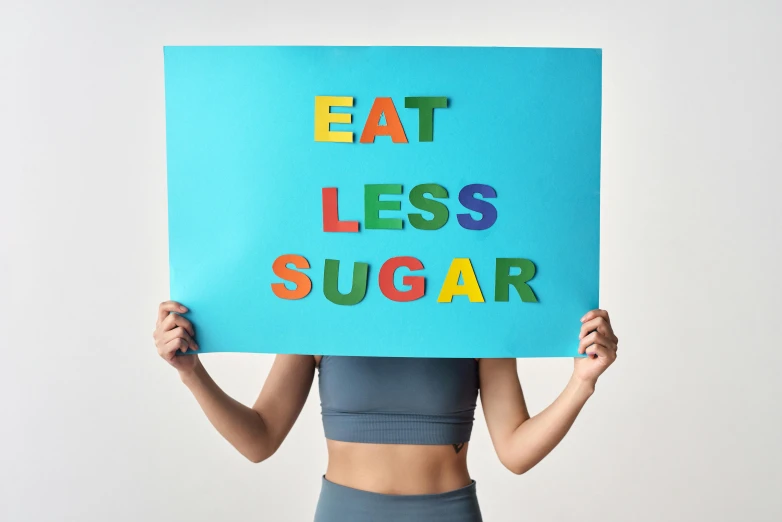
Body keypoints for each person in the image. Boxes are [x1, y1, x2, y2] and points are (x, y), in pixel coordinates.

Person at [153, 300, 619, 521]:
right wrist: (191, 373)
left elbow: (515, 451)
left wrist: (581, 384)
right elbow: (260, 438)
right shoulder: (317, 311)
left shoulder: (478, 316)